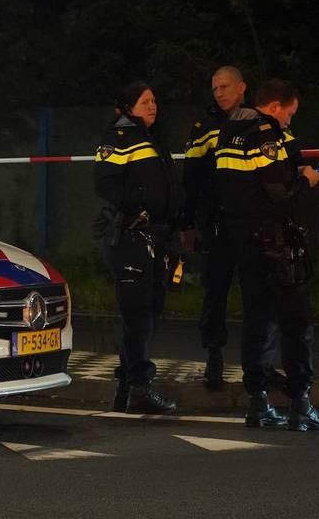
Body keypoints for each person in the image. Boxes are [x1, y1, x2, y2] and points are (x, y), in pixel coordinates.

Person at [214, 79, 319, 431]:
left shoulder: (228, 130)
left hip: (241, 242)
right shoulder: (264, 134)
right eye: (290, 114)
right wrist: (306, 179)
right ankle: (301, 402)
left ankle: (259, 401)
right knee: (296, 322)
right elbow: (279, 192)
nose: (289, 122)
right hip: (273, 243)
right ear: (276, 106)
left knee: (257, 320)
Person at [94, 81, 178, 415]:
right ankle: (138, 387)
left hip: (156, 238)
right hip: (131, 239)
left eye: (155, 100)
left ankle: (129, 386)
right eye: (145, 102)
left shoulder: (152, 139)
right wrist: (138, 208)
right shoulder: (119, 138)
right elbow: (104, 184)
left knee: (148, 313)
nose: (153, 106)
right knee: (137, 316)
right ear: (128, 107)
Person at [180, 66, 246, 388]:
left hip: (251, 225)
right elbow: (190, 180)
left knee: (259, 296)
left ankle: (258, 360)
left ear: (242, 88)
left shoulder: (257, 122)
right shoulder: (204, 128)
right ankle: (214, 358)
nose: (219, 92)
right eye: (214, 87)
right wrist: (188, 223)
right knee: (215, 292)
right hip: (216, 224)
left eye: (225, 86)